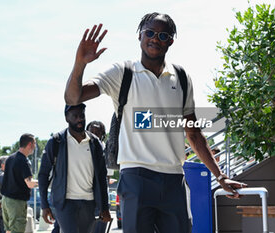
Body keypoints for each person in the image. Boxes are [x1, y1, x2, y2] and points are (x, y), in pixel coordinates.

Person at [64, 12, 247, 233]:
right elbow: (73, 98)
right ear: (139, 36)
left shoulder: (180, 77)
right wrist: (80, 63)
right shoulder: (123, 72)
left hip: (174, 178)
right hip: (136, 176)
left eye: (162, 35)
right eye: (149, 32)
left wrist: (220, 175)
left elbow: (194, 134)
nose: (154, 39)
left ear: (170, 41)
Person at [38, 103, 111, 233]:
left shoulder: (95, 143)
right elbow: (43, 174)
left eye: (82, 115)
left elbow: (101, 177)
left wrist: (104, 207)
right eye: (75, 116)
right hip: (65, 203)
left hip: (89, 203)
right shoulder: (56, 141)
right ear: (67, 118)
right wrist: (44, 205)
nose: (79, 119)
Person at [1, 134, 38, 233]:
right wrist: (43, 182)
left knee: (9, 230)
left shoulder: (10, 158)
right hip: (16, 203)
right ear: (30, 144)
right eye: (34, 144)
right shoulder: (23, 161)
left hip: (5, 200)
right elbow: (29, 183)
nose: (35, 146)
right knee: (17, 230)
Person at [86, 121, 109, 233]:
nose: (94, 134)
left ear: (103, 135)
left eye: (97, 132)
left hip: (100, 199)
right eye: (91, 131)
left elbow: (106, 177)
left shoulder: (105, 150)